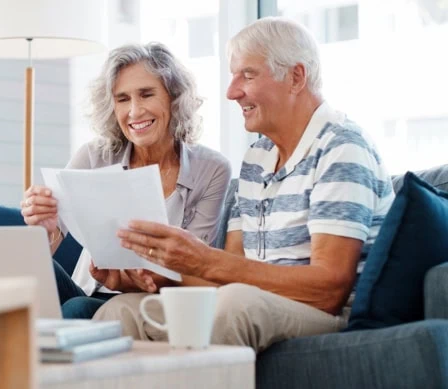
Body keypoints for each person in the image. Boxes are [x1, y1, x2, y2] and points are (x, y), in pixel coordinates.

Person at [93, 17, 395, 352]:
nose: (231, 92)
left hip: (325, 312)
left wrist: (204, 259)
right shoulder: (257, 158)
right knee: (120, 312)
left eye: (247, 75)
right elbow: (226, 273)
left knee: (236, 304)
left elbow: (330, 288)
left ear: (296, 77)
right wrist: (159, 272)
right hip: (254, 301)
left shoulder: (341, 148)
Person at [21, 42, 231, 319]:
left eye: (146, 95)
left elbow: (195, 269)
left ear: (173, 97)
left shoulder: (211, 169)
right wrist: (45, 227)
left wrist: (129, 279)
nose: (134, 111)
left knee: (77, 310)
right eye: (122, 99)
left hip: (154, 302)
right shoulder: (94, 156)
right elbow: (48, 244)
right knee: (26, 278)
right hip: (86, 290)